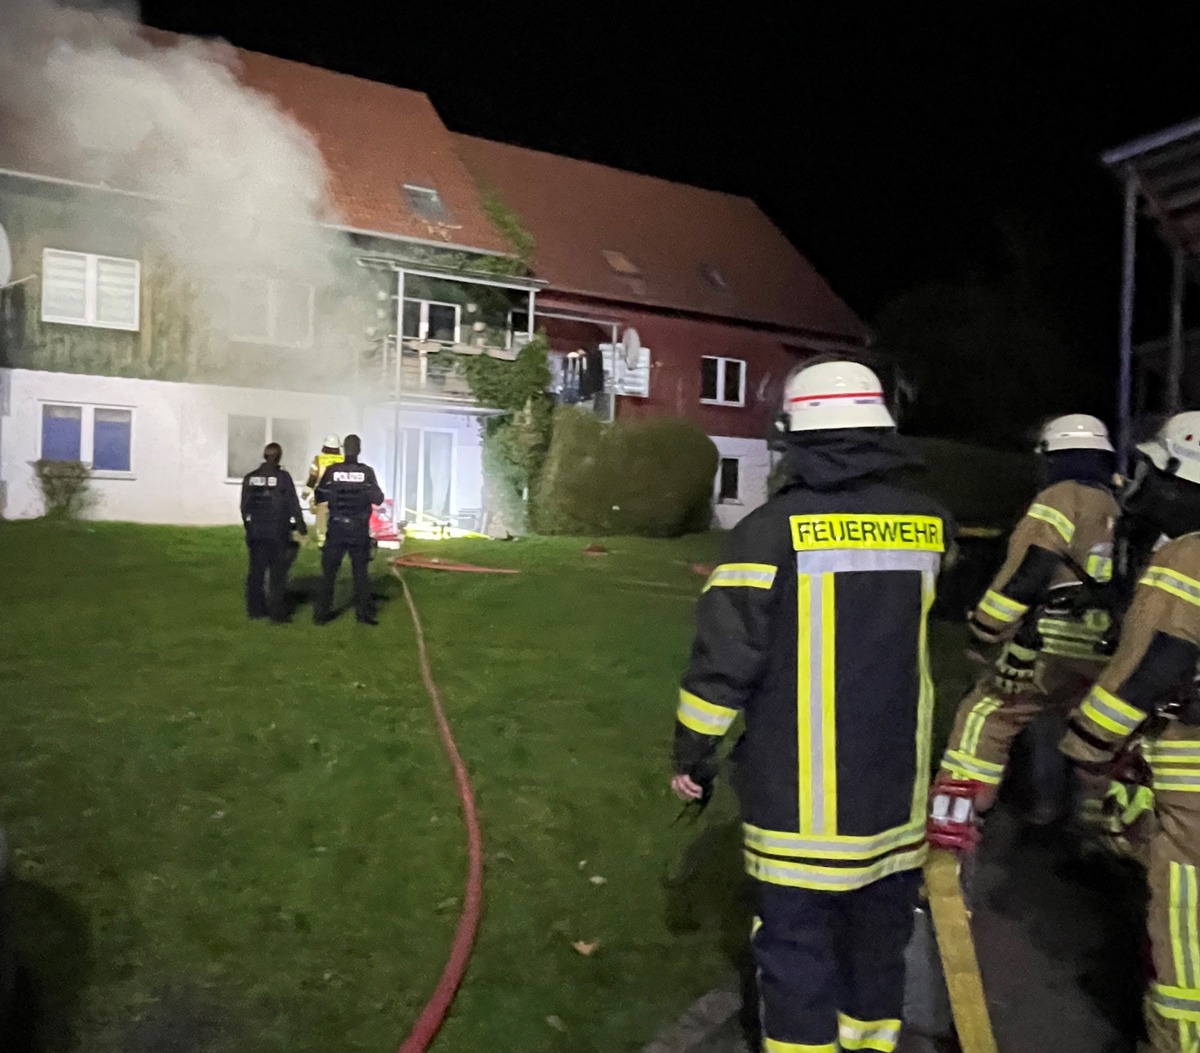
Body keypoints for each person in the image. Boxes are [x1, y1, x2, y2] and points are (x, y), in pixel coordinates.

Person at [671, 359, 953, 1053]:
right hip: (895, 795)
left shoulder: (769, 532)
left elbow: (725, 660)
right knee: (876, 946)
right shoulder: (930, 525)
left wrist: (693, 753)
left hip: (802, 802)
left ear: (798, 437)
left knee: (796, 952)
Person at [1059, 412, 1200, 1053]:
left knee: (1183, 921)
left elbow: (1155, 666)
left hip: (1192, 774)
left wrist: (1090, 742)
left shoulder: (1187, 556)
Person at [929, 414, 1120, 847]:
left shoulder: (1060, 497)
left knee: (988, 716)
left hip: (1050, 640)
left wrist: (986, 630)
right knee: (1091, 737)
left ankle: (956, 817)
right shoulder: (1115, 502)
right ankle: (1096, 833)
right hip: (1103, 644)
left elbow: (1032, 569)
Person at [314, 433, 383, 626]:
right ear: (359, 450)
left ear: (344, 449)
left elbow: (319, 495)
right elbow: (378, 498)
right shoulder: (367, 472)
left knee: (329, 574)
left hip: (336, 528)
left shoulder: (332, 470)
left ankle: (321, 615)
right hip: (358, 529)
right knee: (360, 574)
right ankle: (363, 615)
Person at [240, 441, 306, 623]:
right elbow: (293, 503)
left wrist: (250, 528)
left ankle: (255, 610)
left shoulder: (250, 477)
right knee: (278, 574)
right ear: (279, 457)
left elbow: (244, 507)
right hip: (278, 532)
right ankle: (277, 613)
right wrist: (301, 526)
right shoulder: (283, 478)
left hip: (256, 533)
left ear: (264, 456)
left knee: (256, 572)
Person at [302, 434, 344, 548]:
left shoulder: (318, 460)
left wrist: (305, 493)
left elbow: (313, 477)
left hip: (322, 496)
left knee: (319, 513)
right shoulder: (343, 460)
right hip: (341, 496)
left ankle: (323, 539)